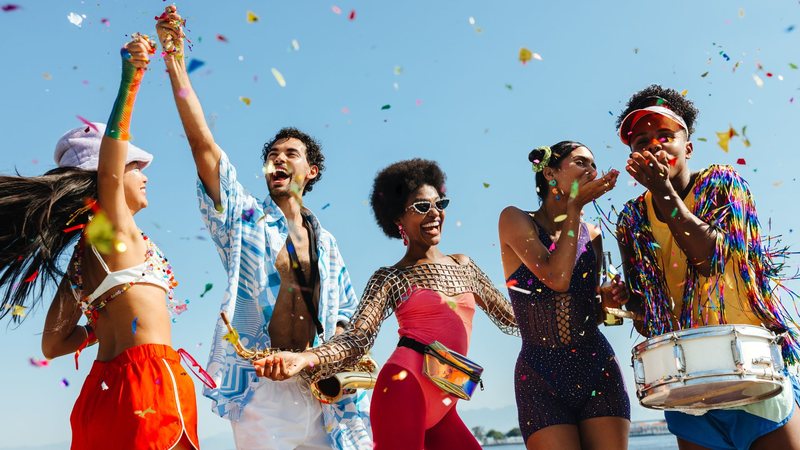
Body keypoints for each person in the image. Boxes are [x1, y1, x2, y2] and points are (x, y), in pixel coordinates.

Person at [154, 6, 371, 449]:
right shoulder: (245, 218)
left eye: (291, 152)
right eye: (272, 153)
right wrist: (174, 59)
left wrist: (330, 361)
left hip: (324, 390)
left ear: (312, 170)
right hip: (260, 388)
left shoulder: (327, 244)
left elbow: (349, 319)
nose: (278, 158)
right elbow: (204, 148)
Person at [0, 35, 199, 449]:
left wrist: (102, 324)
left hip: (107, 392)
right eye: (135, 166)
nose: (145, 174)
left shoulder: (83, 256)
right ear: (106, 177)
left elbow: (53, 344)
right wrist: (132, 77)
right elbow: (109, 172)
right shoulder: (116, 228)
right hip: (146, 391)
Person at [254, 159, 520, 450]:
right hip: (403, 388)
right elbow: (358, 338)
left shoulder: (465, 265)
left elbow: (513, 320)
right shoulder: (391, 277)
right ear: (398, 219)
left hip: (446, 397)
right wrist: (306, 358)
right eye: (421, 207)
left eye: (440, 204)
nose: (434, 213)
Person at [615, 85, 800, 450]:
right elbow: (647, 318)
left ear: (688, 146)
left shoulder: (723, 184)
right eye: (641, 142)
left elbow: (711, 260)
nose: (654, 145)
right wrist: (623, 301)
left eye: (665, 136)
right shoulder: (632, 220)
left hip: (751, 367)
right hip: (685, 382)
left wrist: (664, 193)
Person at [498, 141, 629, 449]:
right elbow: (556, 278)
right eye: (581, 162)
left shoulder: (593, 234)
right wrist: (574, 208)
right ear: (549, 173)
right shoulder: (515, 219)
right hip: (540, 374)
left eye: (593, 165)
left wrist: (607, 301)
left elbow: (589, 310)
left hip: (597, 366)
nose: (591, 170)